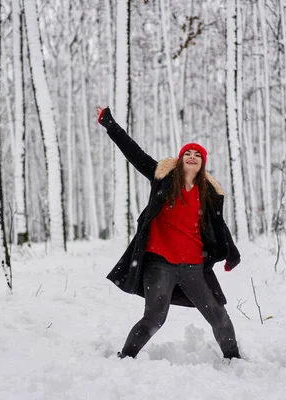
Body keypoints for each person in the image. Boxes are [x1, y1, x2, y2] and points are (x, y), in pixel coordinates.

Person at [96, 106, 242, 360]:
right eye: (188, 153)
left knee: (218, 315)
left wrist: (232, 254)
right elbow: (134, 153)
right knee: (154, 317)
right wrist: (110, 124)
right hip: (159, 263)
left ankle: (235, 360)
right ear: (181, 158)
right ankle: (126, 358)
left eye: (198, 154)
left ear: (202, 163)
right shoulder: (163, 178)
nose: (192, 156)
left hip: (194, 266)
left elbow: (220, 225)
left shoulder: (208, 193)